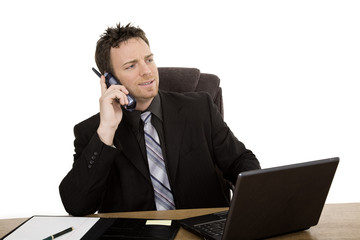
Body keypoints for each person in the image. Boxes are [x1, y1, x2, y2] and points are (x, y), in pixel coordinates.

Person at [59, 23, 260, 216]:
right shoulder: (94, 131)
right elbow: (76, 205)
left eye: (148, 59)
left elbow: (241, 161)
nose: (147, 71)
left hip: (200, 230)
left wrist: (249, 206)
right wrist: (106, 132)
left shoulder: (198, 108)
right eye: (131, 66)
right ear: (110, 79)